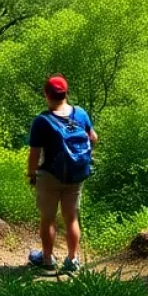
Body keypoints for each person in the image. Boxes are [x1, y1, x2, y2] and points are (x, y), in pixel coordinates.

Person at [27, 74, 98, 275]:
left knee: (48, 218)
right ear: (66, 94)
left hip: (49, 175)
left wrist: (32, 173)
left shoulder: (42, 121)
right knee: (71, 217)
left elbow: (34, 153)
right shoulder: (81, 114)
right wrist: (81, 156)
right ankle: (72, 260)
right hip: (76, 176)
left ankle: (48, 260)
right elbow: (93, 138)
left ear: (46, 94)